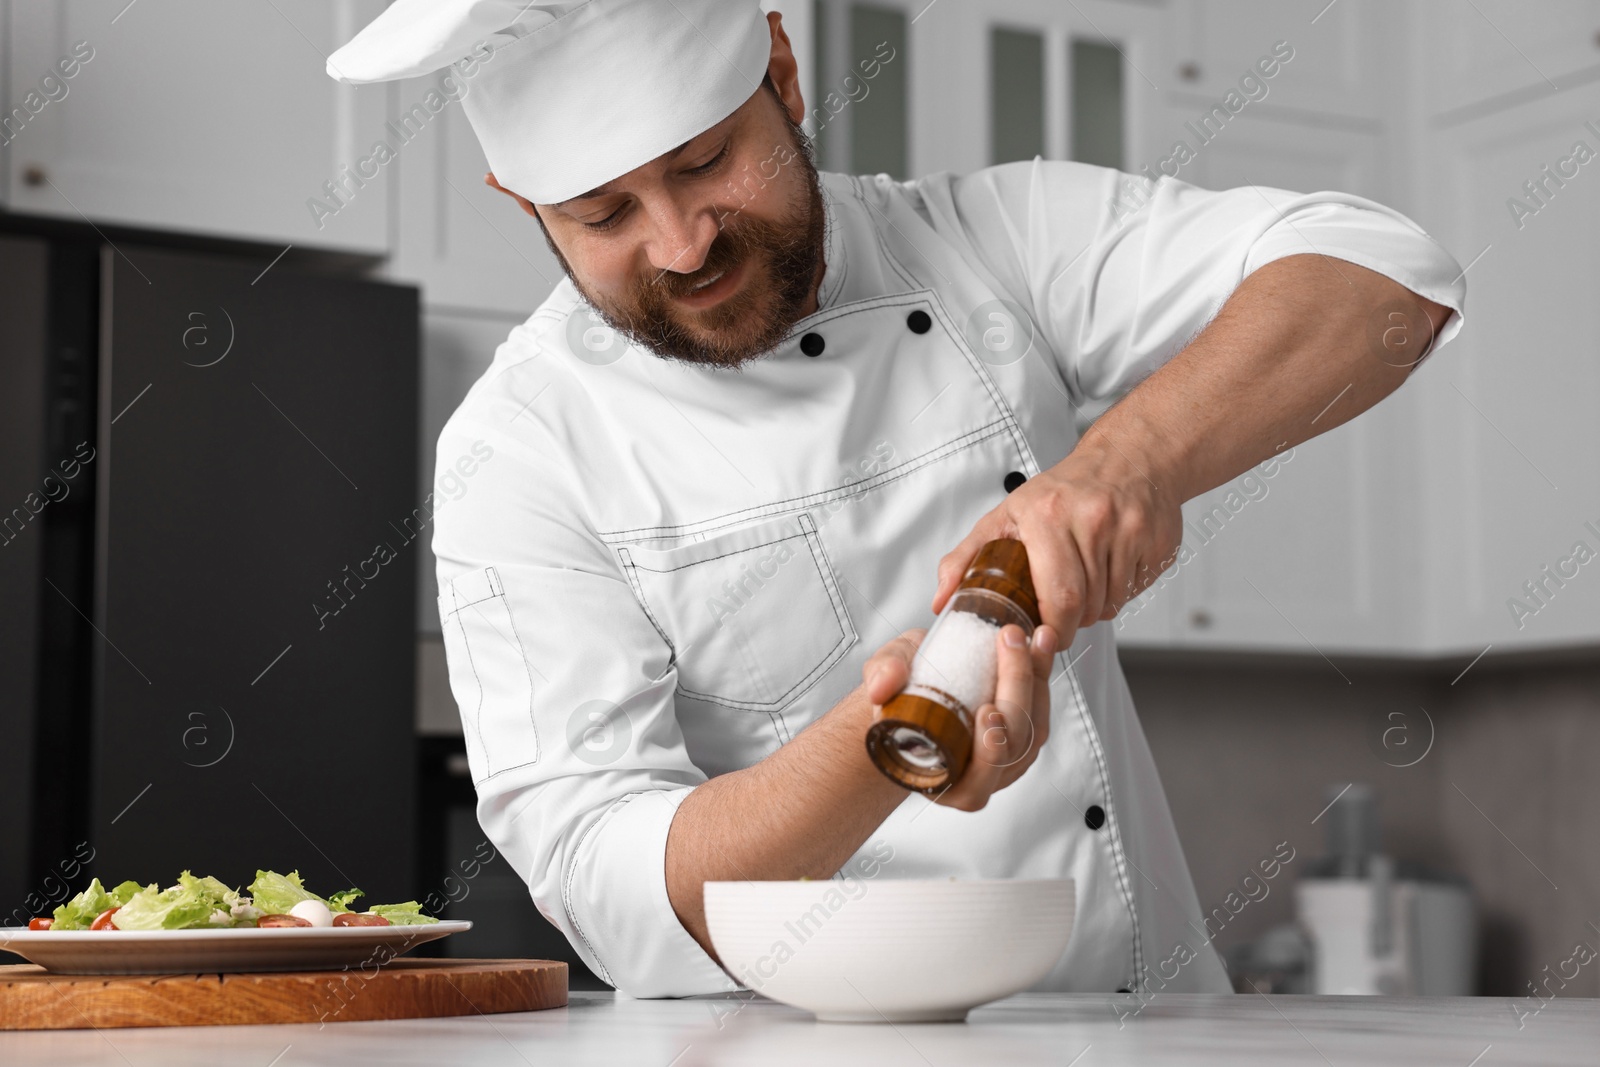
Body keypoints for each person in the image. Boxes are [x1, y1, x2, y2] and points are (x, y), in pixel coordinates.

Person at [329, 0, 1463, 998]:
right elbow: (606, 873)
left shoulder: (992, 244)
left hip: (1137, 1025)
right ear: (521, 200)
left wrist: (1128, 464)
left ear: (782, 71)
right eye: (602, 214)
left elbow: (1380, 275)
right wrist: (886, 746)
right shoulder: (522, 447)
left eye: (706, 159)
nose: (681, 243)